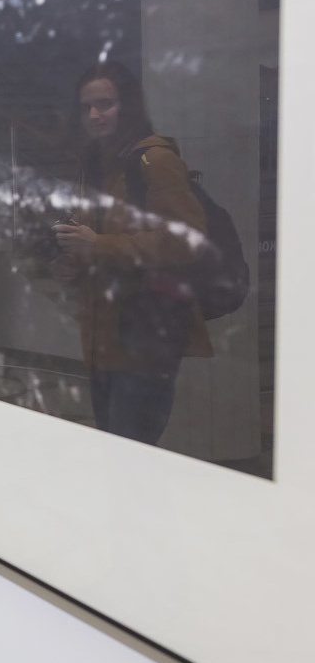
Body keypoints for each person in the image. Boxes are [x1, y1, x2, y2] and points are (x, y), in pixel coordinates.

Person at [52, 60, 212, 444]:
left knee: (131, 457)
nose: (95, 115)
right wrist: (74, 259)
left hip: (147, 337)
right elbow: (98, 237)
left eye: (105, 104)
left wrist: (98, 245)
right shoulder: (95, 164)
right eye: (86, 107)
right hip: (104, 338)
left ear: (128, 106)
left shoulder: (154, 161)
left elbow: (188, 240)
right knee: (112, 452)